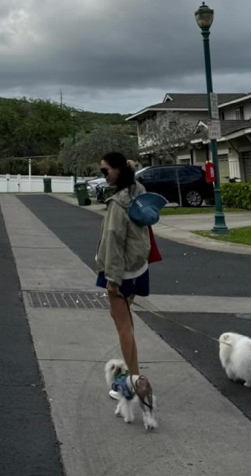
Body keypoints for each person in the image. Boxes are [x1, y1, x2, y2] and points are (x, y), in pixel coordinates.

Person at [95, 152, 152, 400]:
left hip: (122, 271)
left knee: (123, 327)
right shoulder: (137, 192)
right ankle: (133, 374)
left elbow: (115, 242)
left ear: (118, 171)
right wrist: (130, 168)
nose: (103, 176)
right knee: (125, 323)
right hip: (139, 267)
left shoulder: (119, 203)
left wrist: (113, 280)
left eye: (106, 170)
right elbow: (137, 182)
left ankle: (132, 382)